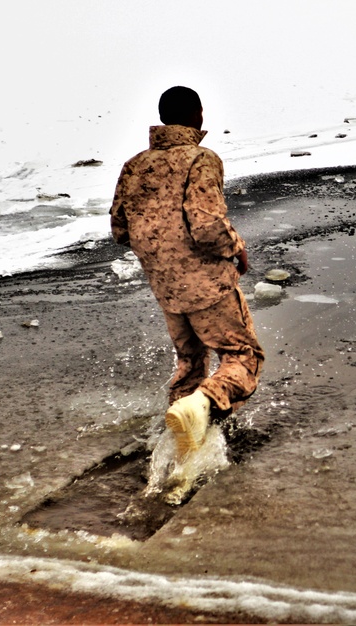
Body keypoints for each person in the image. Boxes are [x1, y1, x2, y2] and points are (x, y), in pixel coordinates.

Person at [110, 86, 264, 461]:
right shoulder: (201, 159)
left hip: (166, 288)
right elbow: (207, 225)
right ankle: (202, 407)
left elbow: (119, 229)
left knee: (190, 363)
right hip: (207, 283)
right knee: (243, 356)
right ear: (195, 114)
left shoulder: (134, 165)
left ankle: (181, 440)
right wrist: (236, 248)